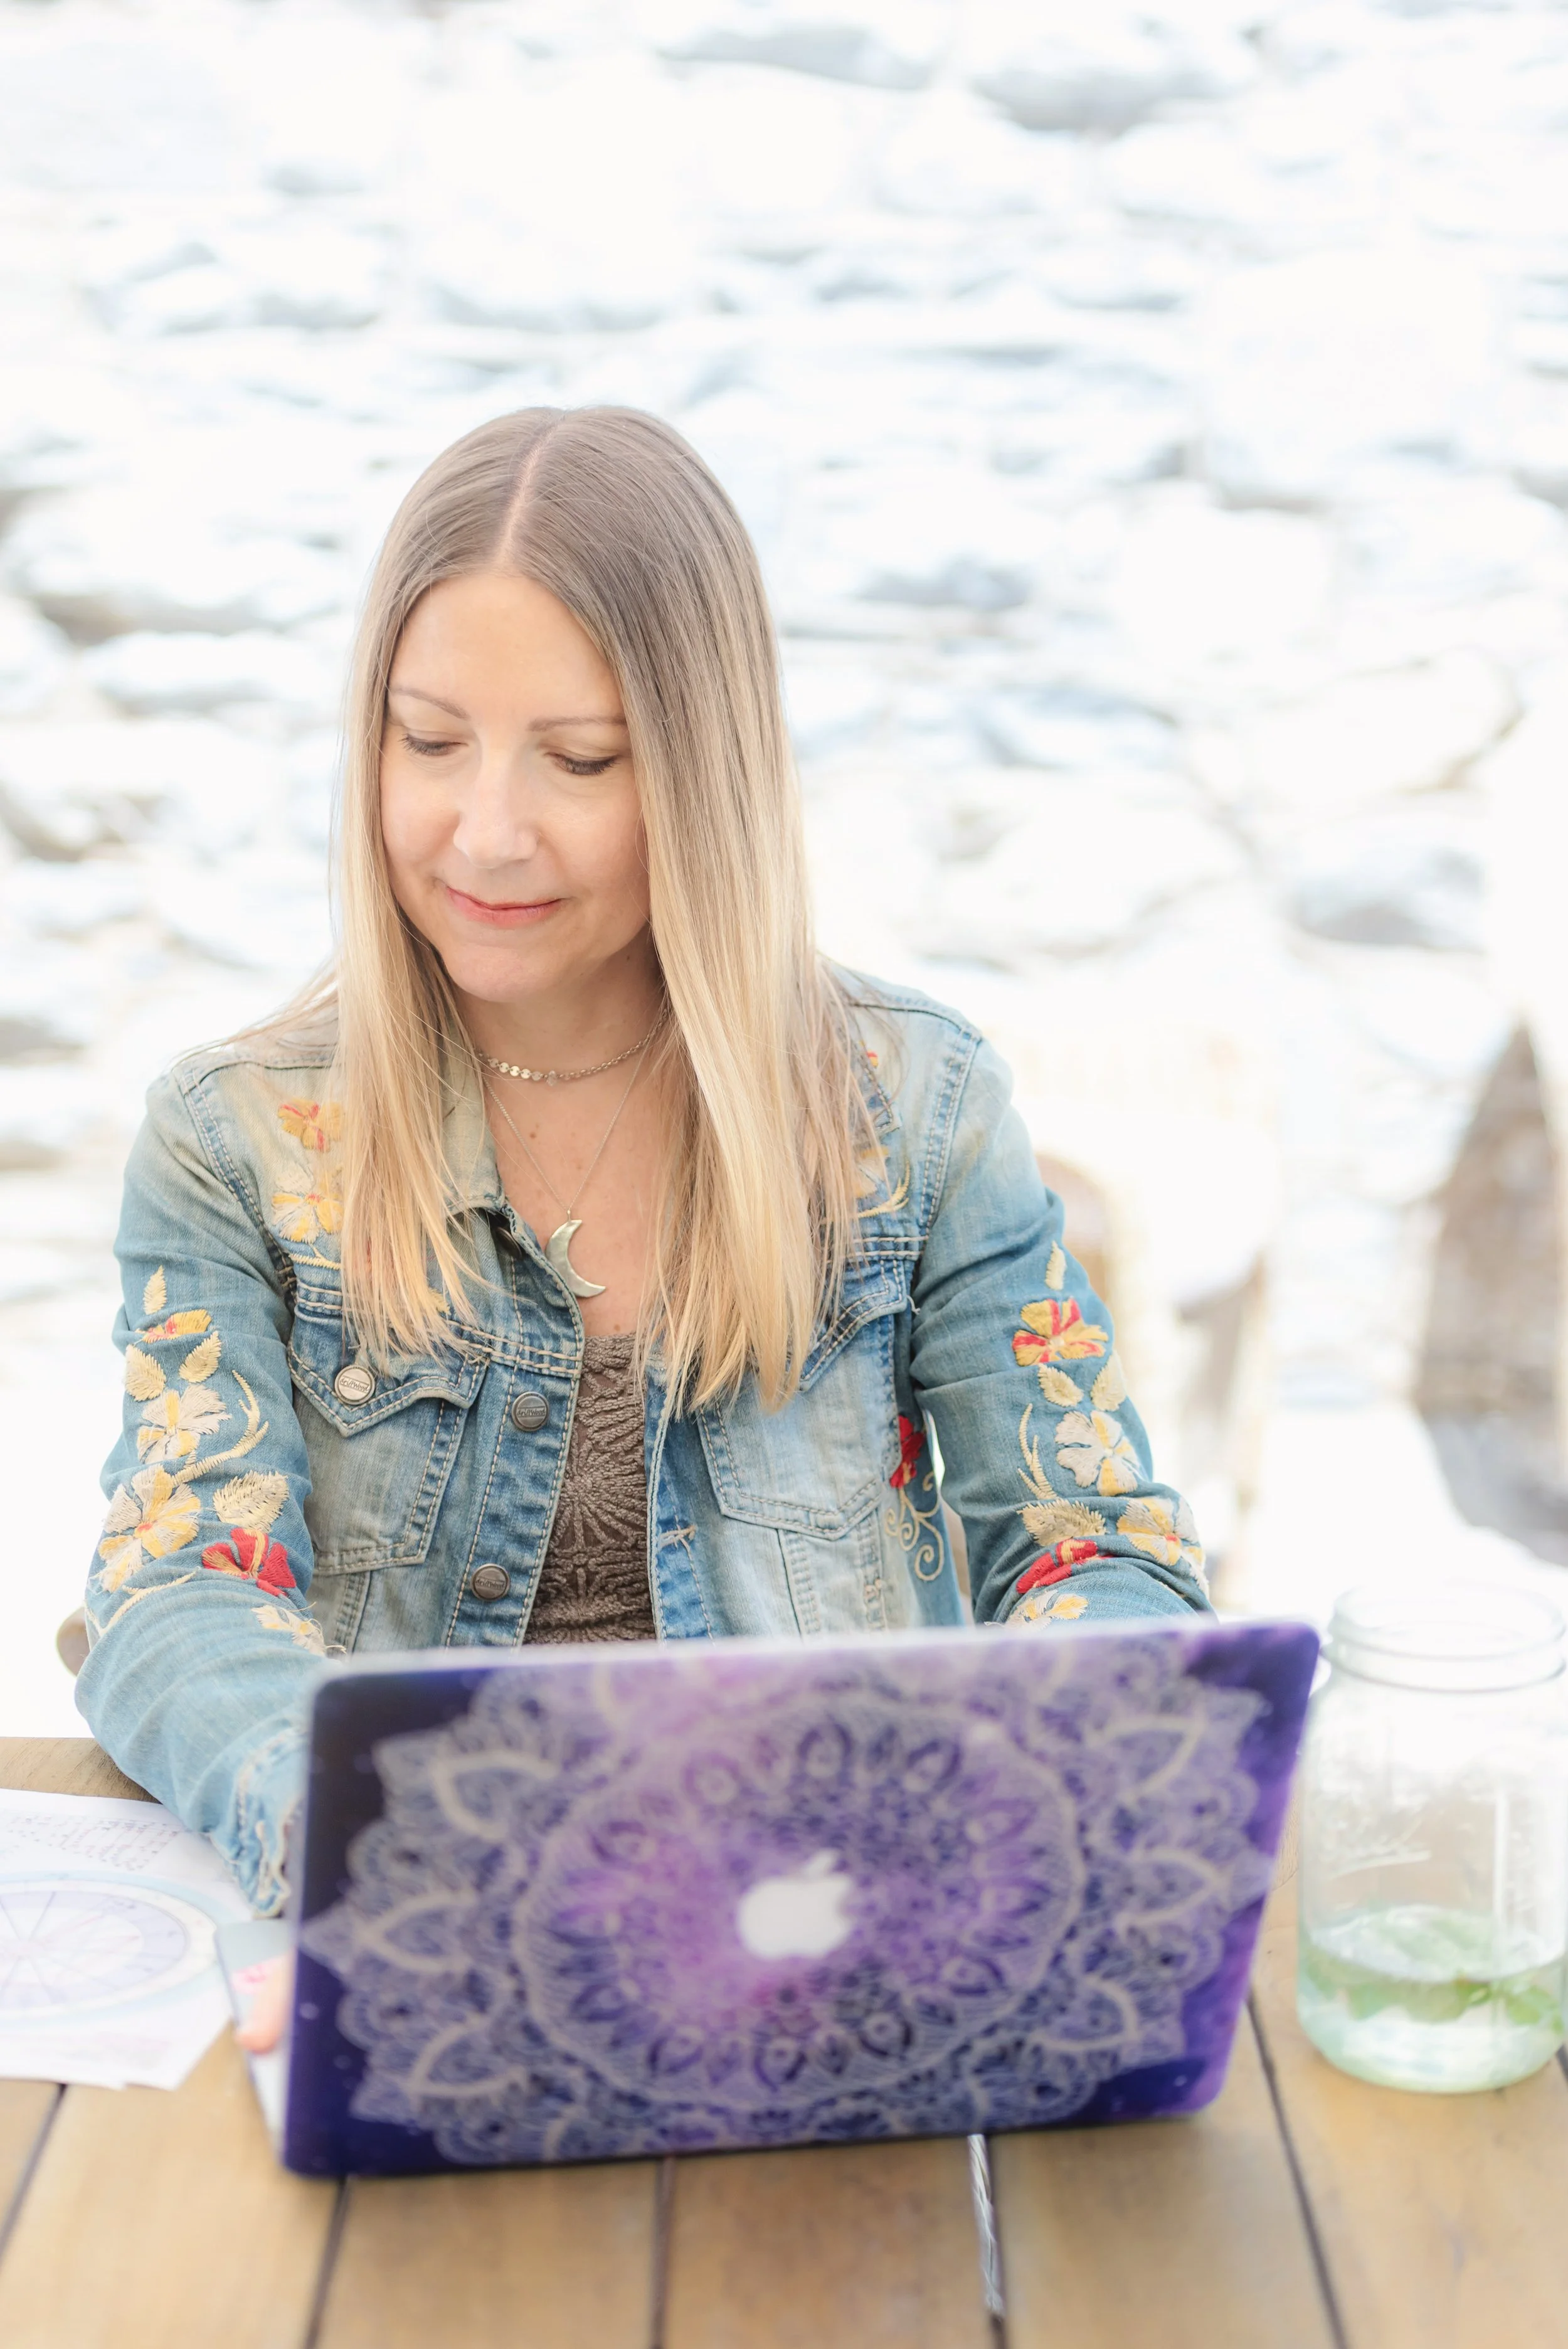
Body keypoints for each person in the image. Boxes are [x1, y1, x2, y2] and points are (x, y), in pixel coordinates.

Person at [77, 406, 1210, 1938]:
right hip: (420, 1927)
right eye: (427, 741)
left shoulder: (917, 1109)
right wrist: (351, 1829)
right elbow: (177, 1585)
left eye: (580, 759)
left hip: (819, 1932)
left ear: (702, 768)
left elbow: (1095, 1550)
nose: (485, 832)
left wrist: (982, 1797)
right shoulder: (235, 1144)